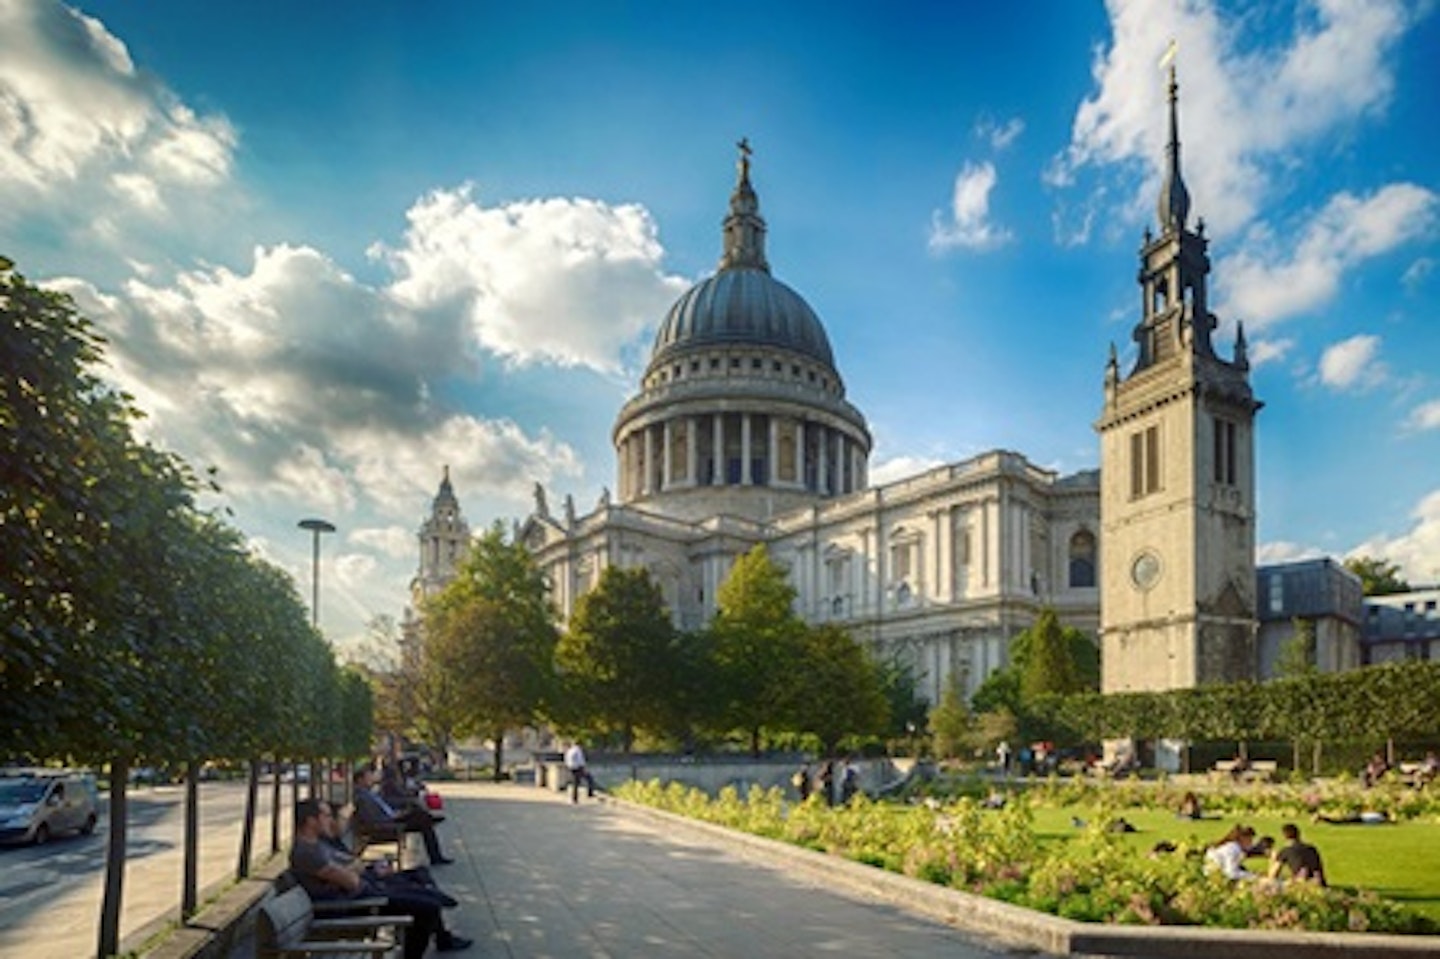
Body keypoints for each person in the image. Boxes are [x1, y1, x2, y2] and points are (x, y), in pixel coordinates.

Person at [289, 798, 472, 957]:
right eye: (326, 816)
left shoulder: (318, 845)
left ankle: (439, 909)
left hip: (364, 892)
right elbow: (351, 881)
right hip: (352, 905)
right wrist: (358, 869)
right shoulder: (306, 852)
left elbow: (350, 869)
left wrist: (358, 869)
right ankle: (437, 916)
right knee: (426, 907)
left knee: (422, 892)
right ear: (311, 821)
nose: (330, 820)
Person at [353, 765, 453, 864]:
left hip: (391, 818)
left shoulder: (368, 792)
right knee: (421, 818)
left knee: (421, 818)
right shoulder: (362, 796)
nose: (372, 779)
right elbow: (373, 818)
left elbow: (384, 807)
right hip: (387, 825)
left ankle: (430, 825)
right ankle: (435, 853)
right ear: (360, 780)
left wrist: (398, 813)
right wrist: (395, 816)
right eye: (369, 777)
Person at [1315, 809, 1390, 825]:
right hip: (1359, 819)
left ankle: (1322, 817)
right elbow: (1385, 822)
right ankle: (1322, 817)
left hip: (1359, 815)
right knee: (1339, 822)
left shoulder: (1376, 814)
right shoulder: (1380, 818)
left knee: (1340, 820)